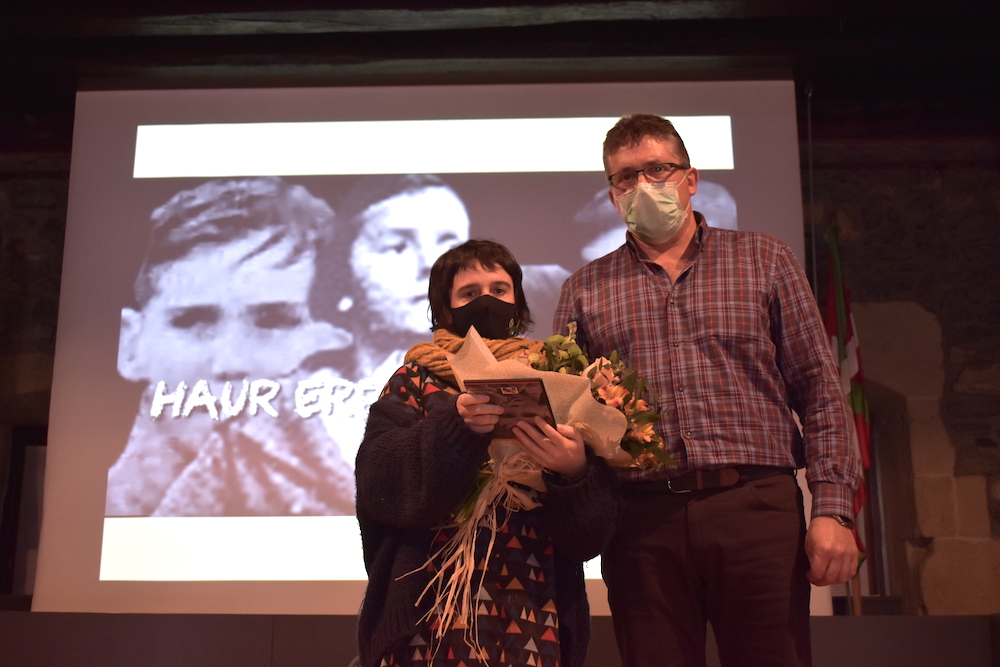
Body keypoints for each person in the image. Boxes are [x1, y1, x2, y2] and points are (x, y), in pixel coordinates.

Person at [554, 114, 861, 667]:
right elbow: (571, 416)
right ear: (613, 196)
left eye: (657, 169)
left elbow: (819, 390)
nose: (643, 185)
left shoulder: (765, 259)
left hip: (755, 506)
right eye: (626, 177)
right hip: (641, 523)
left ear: (690, 179)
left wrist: (833, 511)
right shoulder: (584, 289)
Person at [356, 239, 622, 667]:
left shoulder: (557, 376)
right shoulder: (413, 379)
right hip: (430, 606)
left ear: (517, 301)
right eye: (469, 293)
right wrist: (457, 427)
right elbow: (379, 488)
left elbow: (588, 539)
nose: (486, 301)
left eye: (499, 290)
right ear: (445, 309)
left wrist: (574, 472)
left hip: (533, 604)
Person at [106, 176, 357, 517]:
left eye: (274, 320)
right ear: (130, 345)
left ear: (338, 340)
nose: (231, 361)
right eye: (192, 321)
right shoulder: (83, 522)